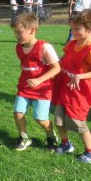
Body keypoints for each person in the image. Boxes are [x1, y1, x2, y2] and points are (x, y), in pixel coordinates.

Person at [52, 9, 91, 163]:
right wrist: (54, 66)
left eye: (77, 29)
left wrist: (79, 76)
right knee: (59, 119)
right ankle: (66, 143)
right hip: (65, 88)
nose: (73, 32)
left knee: (79, 122)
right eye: (72, 29)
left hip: (78, 93)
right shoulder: (72, 43)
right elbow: (64, 58)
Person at [11, 14, 60, 151]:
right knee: (18, 112)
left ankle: (51, 135)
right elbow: (25, 64)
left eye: (20, 32)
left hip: (43, 89)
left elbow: (57, 68)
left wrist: (39, 79)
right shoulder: (19, 47)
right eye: (15, 32)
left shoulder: (45, 47)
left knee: (40, 118)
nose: (17, 35)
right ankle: (24, 137)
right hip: (25, 87)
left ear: (32, 30)